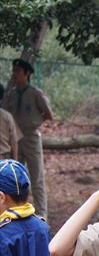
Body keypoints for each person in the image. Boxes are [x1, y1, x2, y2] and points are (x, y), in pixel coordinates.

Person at [0, 59, 53, 218]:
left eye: (17, 71)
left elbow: (48, 114)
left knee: (36, 179)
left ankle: (42, 216)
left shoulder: (35, 93)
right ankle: (16, 212)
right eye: (13, 71)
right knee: (14, 178)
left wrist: (34, 124)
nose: (14, 74)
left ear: (27, 74)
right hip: (14, 141)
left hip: (30, 138)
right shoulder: (11, 94)